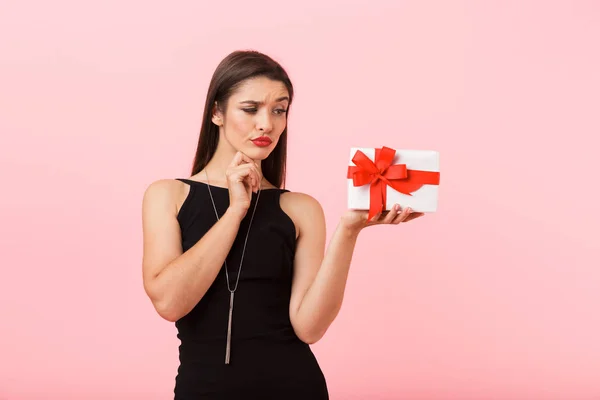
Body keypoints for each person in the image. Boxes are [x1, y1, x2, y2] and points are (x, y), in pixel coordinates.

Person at [141, 50, 424, 399]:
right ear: (216, 112)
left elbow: (309, 327)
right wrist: (235, 212)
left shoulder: (300, 208)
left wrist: (349, 230)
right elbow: (169, 303)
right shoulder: (167, 195)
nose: (267, 124)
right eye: (250, 109)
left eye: (279, 110)